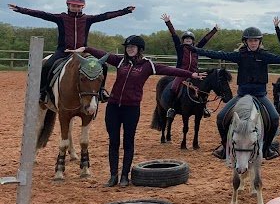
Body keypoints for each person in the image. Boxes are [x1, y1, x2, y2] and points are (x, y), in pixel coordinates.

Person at [70, 36, 205, 188]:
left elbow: (168, 69)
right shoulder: (120, 61)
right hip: (114, 107)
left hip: (131, 108)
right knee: (113, 142)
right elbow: (103, 54)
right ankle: (113, 175)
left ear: (139, 49)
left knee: (128, 142)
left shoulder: (147, 65)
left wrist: (191, 74)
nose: (130, 49)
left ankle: (124, 176)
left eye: (133, 47)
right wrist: (86, 48)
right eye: (128, 47)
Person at [189, 26, 280, 160]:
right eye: (250, 40)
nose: (253, 43)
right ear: (246, 42)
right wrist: (197, 50)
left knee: (274, 118)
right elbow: (218, 54)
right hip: (242, 94)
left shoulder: (265, 55)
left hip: (260, 95)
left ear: (259, 42)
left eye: (256, 40)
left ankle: (267, 149)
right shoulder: (239, 55)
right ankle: (225, 146)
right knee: (220, 117)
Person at [8, 0, 135, 102]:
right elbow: (40, 14)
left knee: (103, 66)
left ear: (82, 7)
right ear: (68, 5)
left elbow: (106, 15)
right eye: (73, 5)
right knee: (47, 65)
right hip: (63, 51)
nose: (75, 8)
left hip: (82, 52)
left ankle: (101, 91)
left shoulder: (88, 19)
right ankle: (43, 92)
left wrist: (125, 11)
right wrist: (20, 9)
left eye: (78, 6)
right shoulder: (61, 18)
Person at [160, 13, 219, 119]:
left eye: (190, 39)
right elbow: (174, 35)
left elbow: (205, 39)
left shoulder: (196, 49)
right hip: (181, 73)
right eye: (186, 38)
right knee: (174, 87)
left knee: (203, 88)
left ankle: (203, 107)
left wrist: (214, 30)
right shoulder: (180, 48)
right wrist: (168, 22)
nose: (188, 40)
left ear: (193, 41)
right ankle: (172, 108)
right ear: (183, 40)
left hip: (195, 74)